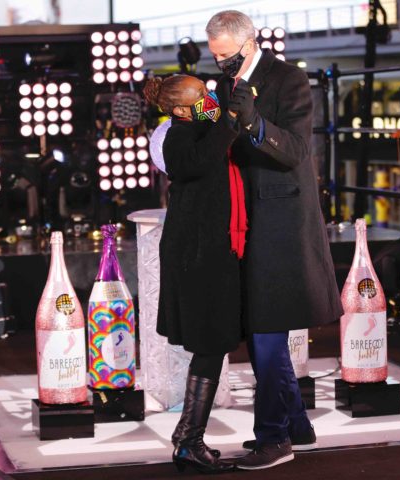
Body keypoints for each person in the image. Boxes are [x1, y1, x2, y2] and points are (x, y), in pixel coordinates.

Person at [206, 10, 343, 470]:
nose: (221, 63)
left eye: (226, 56)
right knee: (262, 329)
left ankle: (274, 437)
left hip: (282, 222)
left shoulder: (290, 80)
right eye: (215, 57)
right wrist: (191, 109)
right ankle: (297, 425)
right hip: (242, 222)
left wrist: (255, 124)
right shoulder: (222, 86)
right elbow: (216, 134)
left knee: (266, 331)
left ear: (248, 44)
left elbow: (297, 151)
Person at [143, 75, 240, 473]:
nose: (208, 98)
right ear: (180, 109)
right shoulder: (176, 139)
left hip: (206, 250)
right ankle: (188, 439)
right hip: (197, 255)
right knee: (211, 342)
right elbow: (200, 162)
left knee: (212, 343)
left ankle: (188, 439)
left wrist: (223, 115)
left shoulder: (198, 125)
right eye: (199, 96)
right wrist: (228, 119)